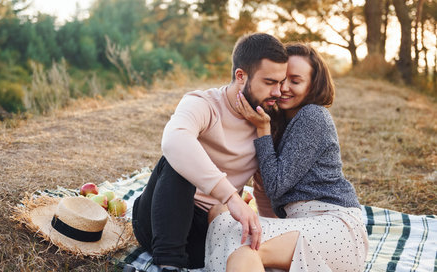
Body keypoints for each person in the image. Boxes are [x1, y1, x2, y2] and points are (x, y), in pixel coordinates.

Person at [205, 43, 369, 271]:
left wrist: (262, 130)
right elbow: (263, 189)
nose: (284, 88)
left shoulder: (313, 116)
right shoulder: (278, 122)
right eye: (281, 79)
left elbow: (276, 185)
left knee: (247, 248)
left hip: (334, 227)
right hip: (298, 224)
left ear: (313, 85)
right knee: (220, 217)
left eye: (295, 80)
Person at [131, 33, 288, 271]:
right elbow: (174, 140)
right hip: (159, 222)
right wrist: (231, 196)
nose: (277, 92)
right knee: (175, 161)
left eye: (280, 82)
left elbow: (262, 189)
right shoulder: (203, 103)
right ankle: (169, 265)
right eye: (269, 82)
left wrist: (267, 231)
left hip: (208, 230)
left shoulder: (266, 123)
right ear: (241, 76)